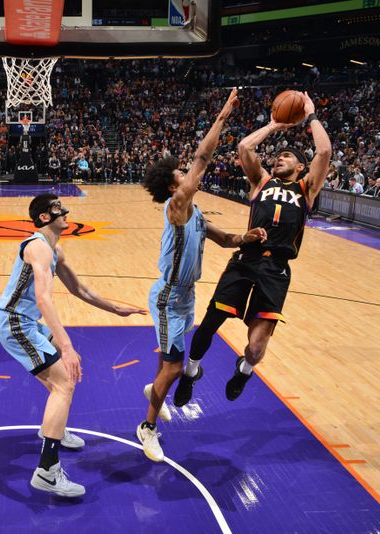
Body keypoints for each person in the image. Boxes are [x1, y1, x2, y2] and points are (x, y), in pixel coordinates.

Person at [174, 92, 331, 406]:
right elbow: (245, 146)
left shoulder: (306, 188)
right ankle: (191, 372)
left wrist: (311, 114)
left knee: (256, 348)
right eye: (278, 155)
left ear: (301, 166)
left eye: (287, 156)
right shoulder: (261, 181)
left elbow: (324, 150)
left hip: (276, 270)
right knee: (210, 324)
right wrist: (273, 125)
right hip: (246, 260)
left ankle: (243, 369)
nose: (279, 158)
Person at [137, 88, 267, 462]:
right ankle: (147, 427)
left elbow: (226, 240)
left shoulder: (195, 214)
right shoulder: (177, 206)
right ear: (173, 186)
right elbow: (202, 157)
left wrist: (247, 237)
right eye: (182, 174)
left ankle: (155, 389)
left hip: (186, 297)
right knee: (176, 365)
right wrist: (224, 113)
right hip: (168, 298)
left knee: (169, 361)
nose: (188, 174)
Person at [0, 193, 145, 498]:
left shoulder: (55, 251)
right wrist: (65, 344)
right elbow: (43, 298)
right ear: (44, 218)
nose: (65, 211)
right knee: (64, 383)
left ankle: (54, 430)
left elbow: (80, 290)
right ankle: (47, 472)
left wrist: (117, 309)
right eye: (57, 208)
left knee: (63, 381)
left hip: (27, 323)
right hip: (15, 323)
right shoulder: (37, 247)